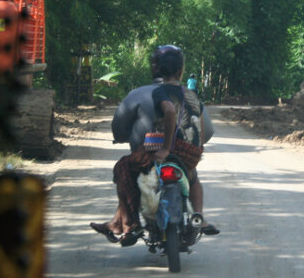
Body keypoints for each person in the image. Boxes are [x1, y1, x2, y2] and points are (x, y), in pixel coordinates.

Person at [90, 45, 219, 245]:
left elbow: (122, 127)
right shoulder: (192, 95)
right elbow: (206, 131)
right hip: (189, 155)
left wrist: (164, 146)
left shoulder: (149, 93)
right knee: (192, 177)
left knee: (124, 169)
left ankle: (130, 224)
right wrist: (195, 146)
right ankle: (199, 218)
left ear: (154, 68)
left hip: (158, 153)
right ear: (180, 71)